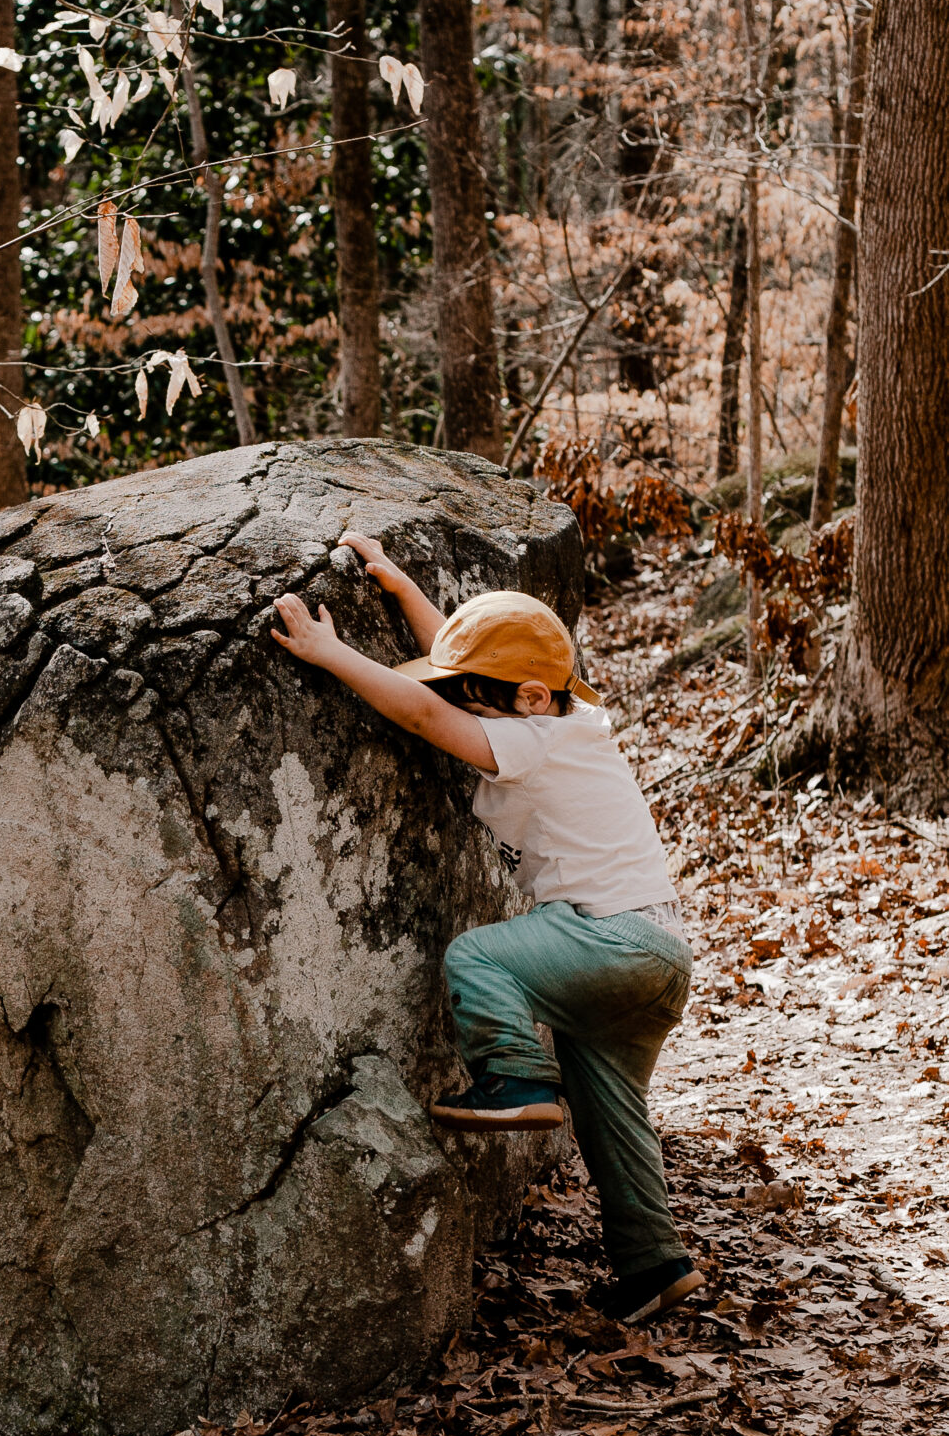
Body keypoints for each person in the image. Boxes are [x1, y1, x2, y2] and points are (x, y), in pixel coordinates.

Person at [270, 533, 701, 1326]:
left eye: (480, 700)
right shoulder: (560, 716)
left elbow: (428, 711)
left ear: (531, 699)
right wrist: (402, 591)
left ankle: (515, 1079)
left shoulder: (533, 739)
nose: (469, 708)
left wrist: (332, 653)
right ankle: (655, 1266)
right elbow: (463, 671)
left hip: (609, 942)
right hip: (659, 958)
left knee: (479, 956)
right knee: (612, 1116)